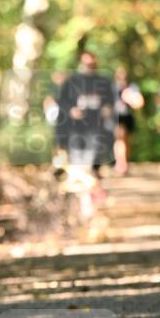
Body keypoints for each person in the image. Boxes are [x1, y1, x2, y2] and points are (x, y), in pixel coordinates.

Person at [55, 51, 115, 205]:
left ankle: (87, 199)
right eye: (86, 63)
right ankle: (82, 199)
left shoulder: (103, 82)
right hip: (75, 131)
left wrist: (107, 110)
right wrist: (71, 111)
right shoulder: (72, 82)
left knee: (89, 164)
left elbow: (110, 102)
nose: (89, 66)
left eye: (92, 64)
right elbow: (62, 103)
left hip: (96, 131)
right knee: (77, 164)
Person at [112, 67, 144, 176]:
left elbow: (139, 103)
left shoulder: (131, 87)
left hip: (127, 117)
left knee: (125, 141)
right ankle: (120, 164)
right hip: (116, 117)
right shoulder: (113, 87)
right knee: (119, 139)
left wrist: (129, 98)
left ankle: (123, 162)